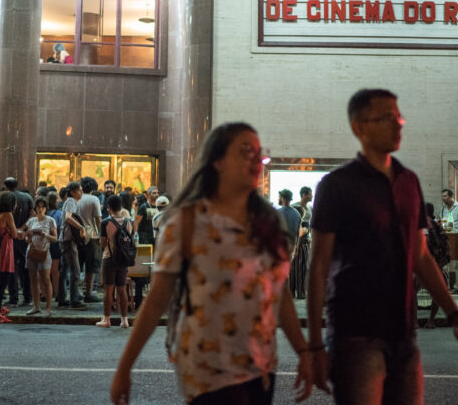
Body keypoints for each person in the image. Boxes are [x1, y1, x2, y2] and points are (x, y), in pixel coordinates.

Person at [111, 122, 312, 405]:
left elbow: (279, 293)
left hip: (261, 365)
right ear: (217, 161)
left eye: (258, 153)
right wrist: (124, 367)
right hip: (206, 368)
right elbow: (157, 299)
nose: (256, 160)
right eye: (245, 151)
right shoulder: (187, 221)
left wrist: (303, 351)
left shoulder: (267, 222)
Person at [308, 89, 458, 404]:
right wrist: (315, 346)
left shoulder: (408, 181)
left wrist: (456, 318)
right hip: (355, 333)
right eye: (387, 118)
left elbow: (421, 256)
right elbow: (318, 265)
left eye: (398, 117)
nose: (398, 124)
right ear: (359, 127)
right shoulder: (337, 185)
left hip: (403, 332)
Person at [97, 194, 133, 329]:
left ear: (109, 208)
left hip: (109, 258)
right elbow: (131, 240)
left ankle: (107, 320)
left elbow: (102, 243)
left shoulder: (105, 222)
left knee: (108, 290)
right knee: (122, 289)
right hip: (124, 259)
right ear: (121, 206)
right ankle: (125, 321)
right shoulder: (129, 222)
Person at [24, 197, 58, 317]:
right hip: (32, 251)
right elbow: (26, 237)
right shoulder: (31, 221)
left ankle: (48, 308)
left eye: (43, 207)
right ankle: (36, 306)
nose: (40, 209)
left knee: (46, 280)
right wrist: (27, 238)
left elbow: (55, 238)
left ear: (46, 208)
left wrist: (44, 234)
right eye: (38, 206)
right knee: (33, 280)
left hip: (44, 252)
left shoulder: (50, 220)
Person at [4, 177, 33, 306]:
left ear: (6, 186)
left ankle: (13, 298)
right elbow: (32, 214)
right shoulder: (27, 197)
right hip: (23, 237)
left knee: (11, 269)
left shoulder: (5, 197)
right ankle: (27, 297)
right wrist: (22, 229)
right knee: (25, 269)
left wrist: (14, 230)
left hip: (10, 237)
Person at [59, 181, 88, 309]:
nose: (81, 192)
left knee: (65, 270)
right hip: (69, 239)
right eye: (79, 190)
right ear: (72, 192)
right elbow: (68, 218)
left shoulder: (69, 202)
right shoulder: (71, 201)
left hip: (64, 239)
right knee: (75, 271)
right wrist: (81, 226)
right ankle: (74, 300)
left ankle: (62, 298)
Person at [0, 191, 19, 324]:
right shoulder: (8, 215)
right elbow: (14, 234)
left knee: (1, 281)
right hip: (5, 250)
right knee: (2, 283)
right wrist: (12, 231)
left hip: (0, 250)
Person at [77, 176, 103, 303]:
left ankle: (75, 292)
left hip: (76, 235)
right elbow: (98, 219)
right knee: (91, 266)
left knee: (77, 265)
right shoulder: (94, 199)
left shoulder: (75, 199)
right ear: (93, 188)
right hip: (92, 236)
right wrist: (101, 234)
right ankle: (88, 292)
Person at [440, 188, 458, 294]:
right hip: (446, 238)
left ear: (451, 196)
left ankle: (457, 287)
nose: (443, 198)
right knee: (444, 262)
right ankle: (445, 286)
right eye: (442, 196)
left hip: (456, 237)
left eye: (445, 196)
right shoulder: (443, 209)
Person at [289, 186, 312, 300]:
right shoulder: (294, 207)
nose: (311, 196)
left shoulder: (310, 208)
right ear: (304, 195)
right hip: (296, 240)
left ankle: (300, 292)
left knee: (303, 268)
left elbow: (311, 225)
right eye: (309, 194)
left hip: (306, 240)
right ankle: (293, 291)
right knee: (294, 268)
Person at [45, 191, 64, 307]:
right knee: (55, 270)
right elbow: (61, 228)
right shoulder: (59, 214)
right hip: (55, 243)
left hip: (45, 242)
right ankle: (57, 293)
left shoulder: (45, 213)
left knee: (44, 270)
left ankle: (45, 293)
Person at [277, 189, 302, 254]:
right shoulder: (297, 213)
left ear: (282, 198)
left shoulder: (277, 212)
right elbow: (299, 233)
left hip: (280, 245)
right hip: (292, 246)